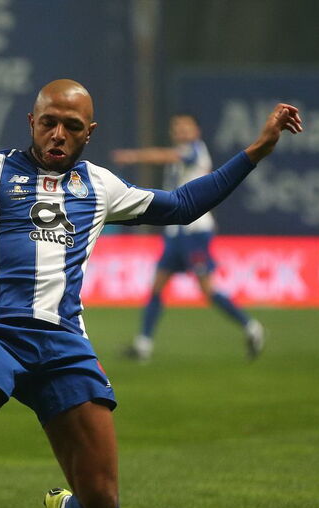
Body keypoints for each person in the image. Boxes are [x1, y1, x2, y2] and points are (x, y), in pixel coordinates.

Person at [0, 80, 301, 508]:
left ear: (89, 133)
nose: (58, 134)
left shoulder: (101, 187)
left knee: (103, 503)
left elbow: (180, 206)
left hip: (63, 345)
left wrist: (256, 150)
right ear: (31, 122)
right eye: (49, 123)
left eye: (71, 126)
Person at [112, 114, 265, 362]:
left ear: (197, 132)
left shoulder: (194, 151)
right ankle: (143, 345)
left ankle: (252, 327)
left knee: (208, 291)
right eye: (177, 128)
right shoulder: (181, 154)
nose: (181, 132)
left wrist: (134, 156)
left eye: (186, 128)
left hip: (195, 231)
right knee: (157, 287)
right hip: (176, 232)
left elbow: (169, 156)